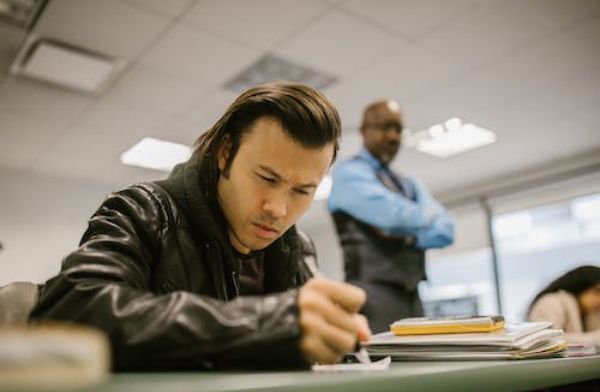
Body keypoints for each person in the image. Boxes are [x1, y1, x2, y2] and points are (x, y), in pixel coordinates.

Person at [30, 82, 371, 370]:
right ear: (225, 153)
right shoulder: (144, 210)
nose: (278, 210)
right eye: (267, 178)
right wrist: (266, 324)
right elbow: (71, 309)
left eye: (302, 191)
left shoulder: (297, 247)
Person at [327, 99, 454, 333]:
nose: (394, 136)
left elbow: (446, 231)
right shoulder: (348, 174)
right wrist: (428, 215)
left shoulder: (409, 182)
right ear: (364, 131)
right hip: (369, 296)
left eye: (398, 129)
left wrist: (408, 233)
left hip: (413, 296)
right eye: (385, 127)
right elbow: (393, 217)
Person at [528, 265, 600, 346]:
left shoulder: (592, 312)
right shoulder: (551, 302)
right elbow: (545, 341)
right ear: (580, 286)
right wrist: (595, 338)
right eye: (597, 291)